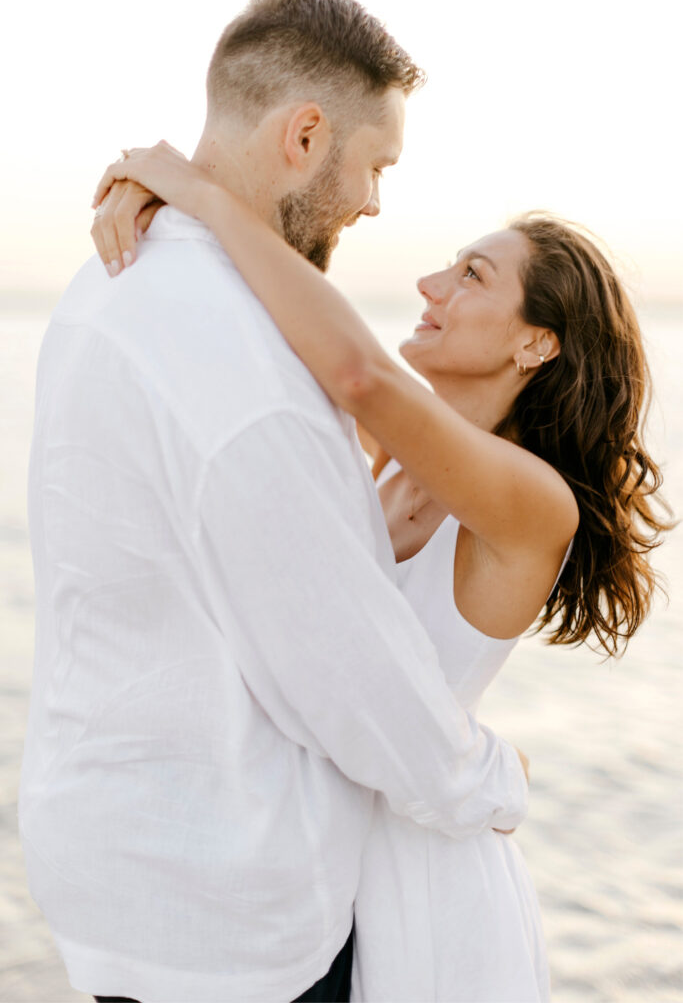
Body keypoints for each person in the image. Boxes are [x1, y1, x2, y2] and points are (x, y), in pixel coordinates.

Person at [20, 0, 534, 1003]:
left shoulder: (104, 289)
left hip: (117, 869)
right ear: (304, 135)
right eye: (373, 166)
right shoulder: (249, 367)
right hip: (230, 921)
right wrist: (489, 783)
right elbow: (343, 667)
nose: (374, 205)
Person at [89, 141, 671, 1002]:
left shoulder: (531, 500)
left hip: (424, 882)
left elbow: (354, 370)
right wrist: (153, 198)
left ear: (537, 344)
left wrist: (197, 193)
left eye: (472, 276)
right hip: (317, 858)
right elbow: (276, 322)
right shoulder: (389, 461)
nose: (431, 286)